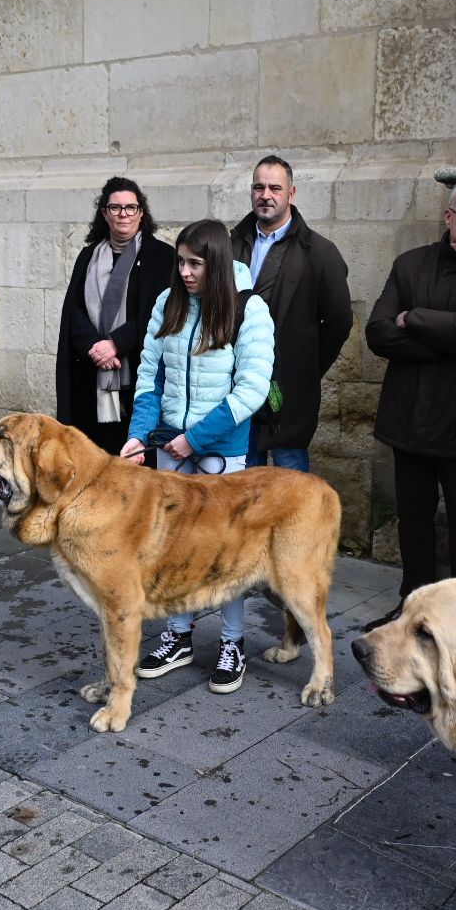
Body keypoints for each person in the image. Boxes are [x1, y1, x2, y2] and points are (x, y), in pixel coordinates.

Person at [121, 219, 275, 694]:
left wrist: (196, 439)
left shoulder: (250, 310)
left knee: (226, 554)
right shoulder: (167, 304)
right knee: (172, 548)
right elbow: (150, 374)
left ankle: (232, 643)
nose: (185, 272)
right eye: (181, 262)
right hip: (168, 445)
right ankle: (178, 636)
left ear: (218, 264)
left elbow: (251, 390)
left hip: (219, 452)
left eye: (195, 264)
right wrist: (138, 434)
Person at [363, 178, 456, 629]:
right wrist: (455, 338)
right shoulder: (410, 265)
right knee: (413, 520)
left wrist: (413, 319)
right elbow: (378, 333)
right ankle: (414, 604)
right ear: (448, 216)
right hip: (407, 420)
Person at [228, 155, 353, 470]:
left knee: (289, 479)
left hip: (290, 389)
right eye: (258, 187)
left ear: (291, 194)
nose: (265, 195)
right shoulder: (230, 245)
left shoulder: (320, 253)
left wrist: (306, 366)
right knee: (242, 481)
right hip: (236, 383)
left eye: (274, 188)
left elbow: (338, 322)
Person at [56, 177, 174, 453]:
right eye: (116, 207)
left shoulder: (162, 257)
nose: (123, 214)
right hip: (90, 375)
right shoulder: (87, 256)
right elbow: (73, 311)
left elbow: (160, 313)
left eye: (130, 208)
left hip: (136, 376)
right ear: (104, 213)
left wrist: (116, 344)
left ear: (141, 213)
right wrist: (95, 348)